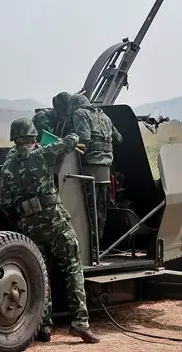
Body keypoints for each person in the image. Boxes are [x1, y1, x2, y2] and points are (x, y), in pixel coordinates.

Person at [0, 117, 100, 344]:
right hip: (54, 220)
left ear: (14, 138)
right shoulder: (40, 154)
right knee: (72, 266)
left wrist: (23, 220)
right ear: (34, 138)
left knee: (41, 273)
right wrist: (73, 134)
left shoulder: (7, 166)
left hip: (28, 225)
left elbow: (6, 203)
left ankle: (44, 326)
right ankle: (80, 323)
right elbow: (70, 142)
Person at [66, 93, 122, 258]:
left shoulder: (80, 114)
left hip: (88, 172)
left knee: (86, 213)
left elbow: (84, 138)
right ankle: (97, 249)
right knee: (100, 213)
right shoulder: (104, 116)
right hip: (105, 172)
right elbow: (118, 138)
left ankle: (88, 251)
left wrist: (68, 145)